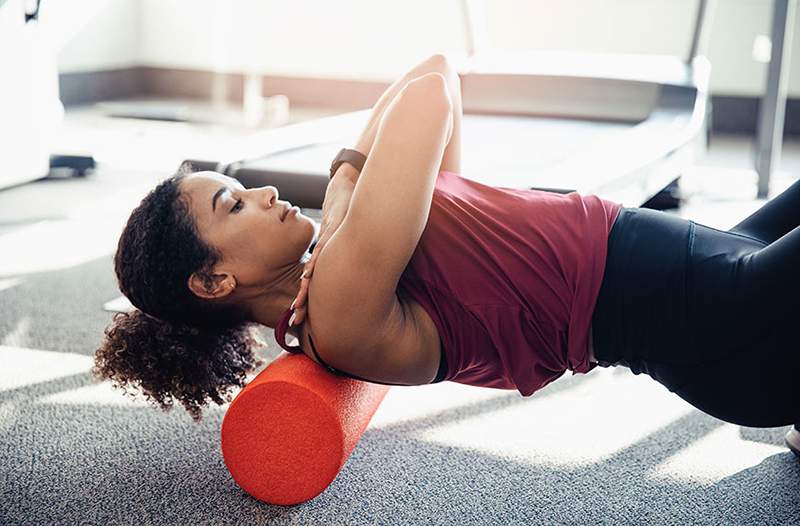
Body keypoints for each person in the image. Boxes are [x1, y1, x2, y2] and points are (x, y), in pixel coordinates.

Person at [93, 54, 799, 456]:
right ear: (215, 278)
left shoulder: (353, 258)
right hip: (718, 320)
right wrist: (342, 190)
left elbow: (437, 72)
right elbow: (427, 97)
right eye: (235, 204)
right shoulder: (338, 304)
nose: (267, 190)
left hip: (711, 265)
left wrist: (349, 199)